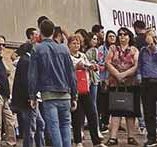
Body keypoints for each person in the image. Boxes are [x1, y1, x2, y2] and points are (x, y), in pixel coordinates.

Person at [28, 19, 77, 147]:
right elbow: (71, 74)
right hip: (65, 92)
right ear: (54, 32)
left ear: (40, 31)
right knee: (66, 125)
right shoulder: (64, 49)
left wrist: (32, 95)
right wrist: (74, 94)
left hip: (48, 94)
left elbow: (33, 75)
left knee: (53, 126)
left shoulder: (37, 49)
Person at [104, 27, 140, 146]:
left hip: (131, 83)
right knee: (116, 110)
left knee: (131, 111)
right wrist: (117, 75)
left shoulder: (134, 50)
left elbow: (136, 65)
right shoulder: (113, 48)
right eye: (120, 34)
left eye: (125, 34)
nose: (122, 36)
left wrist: (124, 74)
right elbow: (108, 62)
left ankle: (131, 137)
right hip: (115, 83)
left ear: (129, 37)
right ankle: (113, 137)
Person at [68, 32, 102, 147]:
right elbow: (67, 69)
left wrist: (93, 67)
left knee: (92, 114)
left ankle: (96, 141)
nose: (76, 45)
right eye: (73, 43)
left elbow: (87, 65)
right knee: (77, 116)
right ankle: (78, 141)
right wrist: (76, 67)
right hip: (74, 90)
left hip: (85, 88)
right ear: (69, 45)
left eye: (78, 43)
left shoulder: (83, 55)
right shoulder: (67, 56)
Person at [11, 41, 45, 147]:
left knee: (39, 124)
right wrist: (31, 96)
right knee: (31, 126)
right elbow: (27, 81)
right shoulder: (27, 61)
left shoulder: (24, 60)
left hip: (29, 98)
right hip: (29, 99)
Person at [97, 30, 116, 132]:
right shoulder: (101, 49)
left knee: (113, 101)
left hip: (115, 79)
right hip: (104, 78)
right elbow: (100, 63)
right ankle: (103, 122)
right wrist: (108, 64)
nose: (112, 38)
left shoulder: (118, 49)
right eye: (110, 36)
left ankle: (112, 123)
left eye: (113, 36)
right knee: (103, 102)